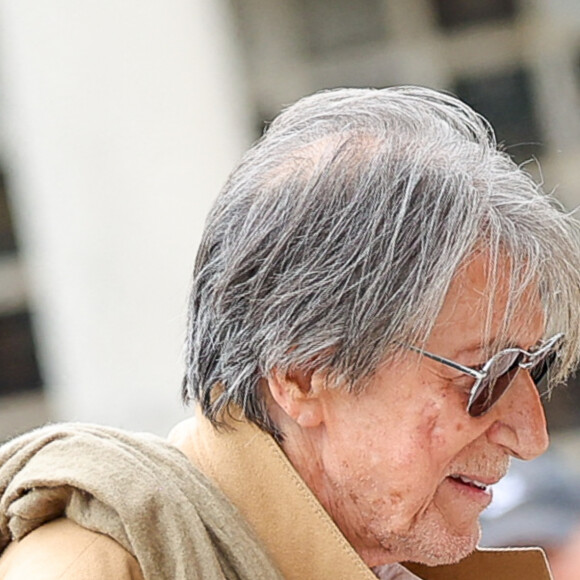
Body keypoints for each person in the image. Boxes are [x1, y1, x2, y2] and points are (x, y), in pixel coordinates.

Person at [1, 86, 580, 579]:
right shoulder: (89, 567)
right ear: (303, 375)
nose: (530, 436)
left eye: (536, 366)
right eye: (488, 375)